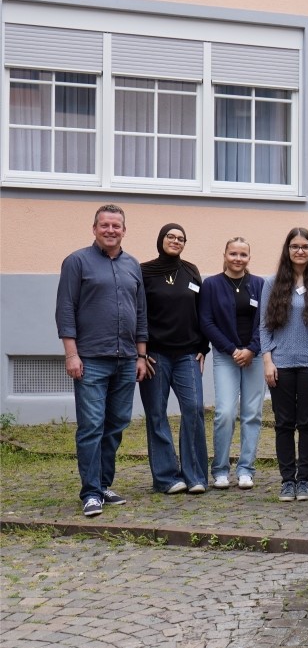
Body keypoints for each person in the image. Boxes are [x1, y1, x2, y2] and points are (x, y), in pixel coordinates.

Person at [56, 204, 148, 517]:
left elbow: (141, 313)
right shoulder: (77, 261)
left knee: (117, 423)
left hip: (125, 359)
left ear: (124, 230)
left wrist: (141, 354)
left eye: (116, 226)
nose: (111, 230)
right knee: (92, 426)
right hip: (91, 359)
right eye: (105, 225)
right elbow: (65, 309)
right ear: (94, 228)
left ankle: (103, 484)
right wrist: (71, 353)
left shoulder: (133, 265)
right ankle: (91, 492)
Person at [138, 224, 210, 495]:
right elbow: (138, 313)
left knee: (193, 410)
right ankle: (167, 477)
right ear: (161, 239)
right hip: (155, 355)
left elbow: (201, 309)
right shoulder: (144, 271)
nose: (175, 241)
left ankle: (195, 476)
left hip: (187, 354)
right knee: (157, 414)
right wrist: (141, 352)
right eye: (171, 236)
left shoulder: (190, 270)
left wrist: (204, 346)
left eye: (181, 238)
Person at [260, 228, 308, 503]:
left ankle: (305, 479)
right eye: (295, 246)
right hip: (281, 364)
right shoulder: (272, 283)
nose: (300, 251)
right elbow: (264, 326)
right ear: (287, 250)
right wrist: (267, 360)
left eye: (305, 246)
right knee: (284, 423)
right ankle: (288, 480)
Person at [200, 237, 265, 491]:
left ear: (249, 257)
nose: (238, 259)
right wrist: (233, 349)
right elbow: (206, 322)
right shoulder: (211, 285)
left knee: (252, 414)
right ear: (225, 254)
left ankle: (246, 469)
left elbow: (266, 321)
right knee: (225, 412)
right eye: (233, 254)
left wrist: (251, 349)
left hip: (255, 355)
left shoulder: (259, 284)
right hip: (226, 356)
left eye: (243, 255)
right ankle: (220, 470)